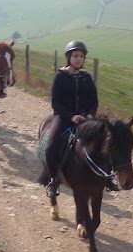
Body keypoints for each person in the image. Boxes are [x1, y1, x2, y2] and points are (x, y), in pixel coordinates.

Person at [39, 40, 100, 198]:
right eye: (75, 56)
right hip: (64, 118)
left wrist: (90, 114)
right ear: (69, 57)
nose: (78, 59)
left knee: (103, 143)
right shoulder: (60, 76)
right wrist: (71, 116)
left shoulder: (86, 77)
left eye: (81, 56)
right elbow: (55, 103)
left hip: (86, 119)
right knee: (51, 147)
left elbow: (94, 100)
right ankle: (53, 179)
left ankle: (106, 178)